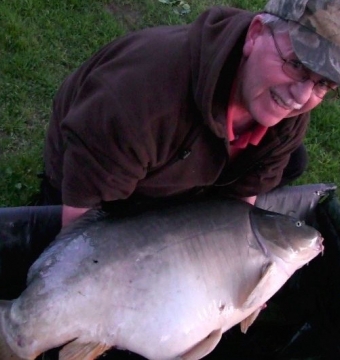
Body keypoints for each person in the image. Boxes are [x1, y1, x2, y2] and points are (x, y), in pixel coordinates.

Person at [40, 0, 340, 227]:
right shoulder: (139, 100)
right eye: (296, 64)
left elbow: (238, 213)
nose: (301, 97)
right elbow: (81, 233)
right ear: (255, 34)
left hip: (181, 158)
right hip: (93, 171)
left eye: (324, 82)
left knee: (293, 160)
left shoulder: (289, 113)